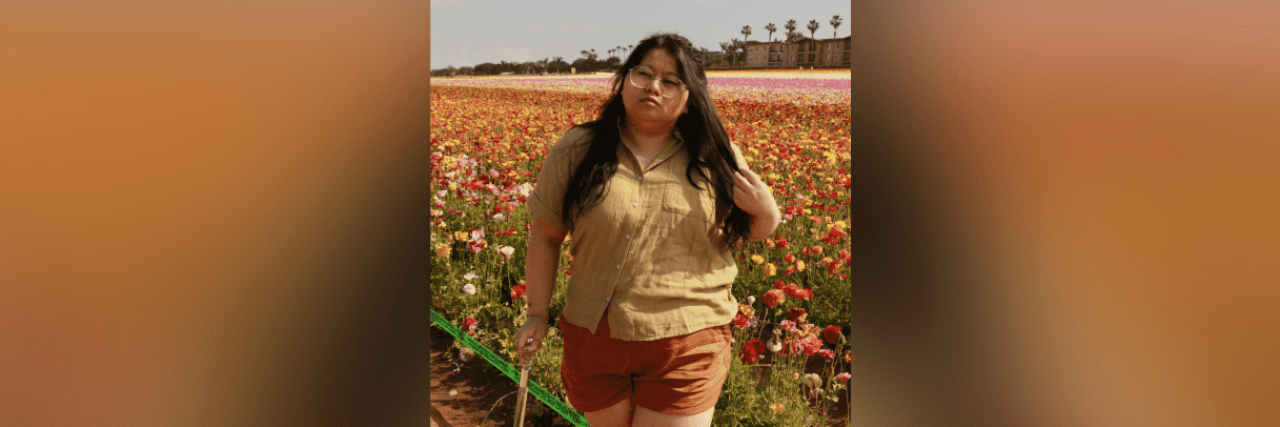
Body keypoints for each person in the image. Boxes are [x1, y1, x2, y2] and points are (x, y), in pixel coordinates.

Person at [513, 33, 781, 427]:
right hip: (595, 339)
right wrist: (536, 314)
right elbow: (546, 234)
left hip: (686, 339)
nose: (654, 86)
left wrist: (768, 212)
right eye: (644, 73)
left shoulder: (715, 154)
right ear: (623, 81)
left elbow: (752, 230)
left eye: (671, 81)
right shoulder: (578, 148)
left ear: (691, 98)